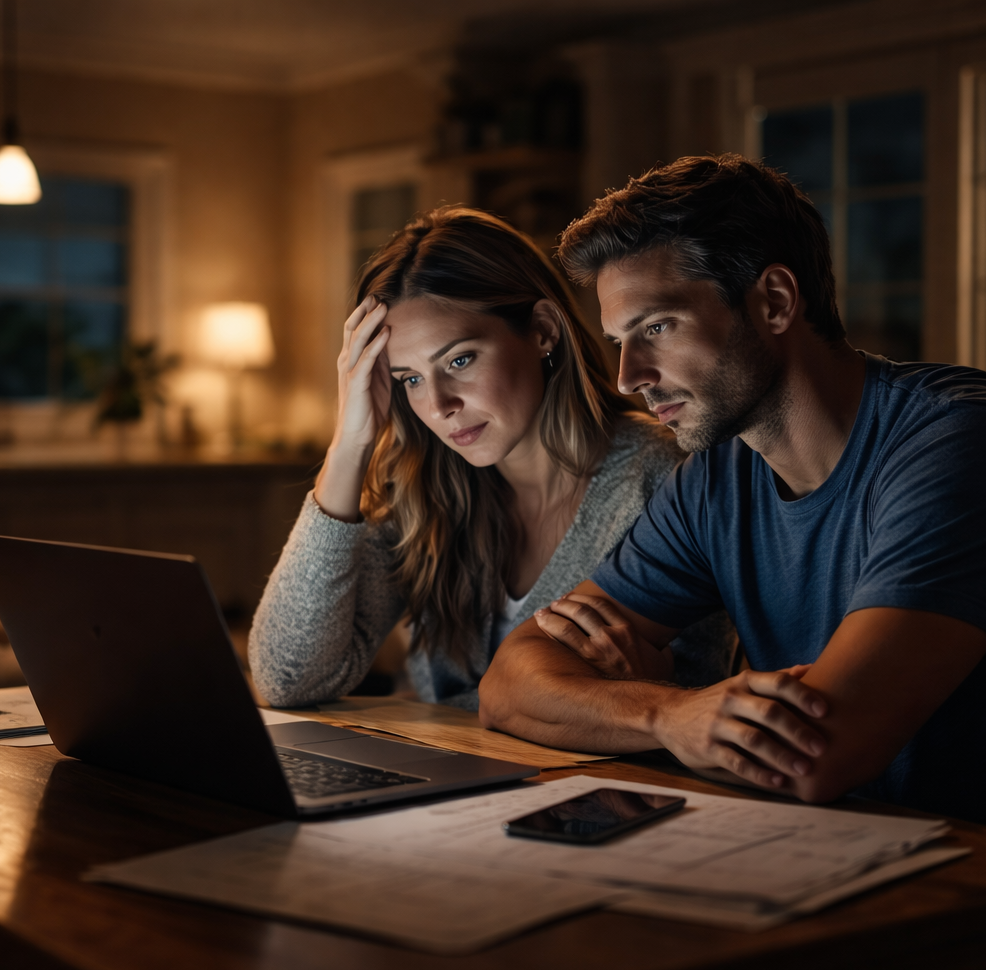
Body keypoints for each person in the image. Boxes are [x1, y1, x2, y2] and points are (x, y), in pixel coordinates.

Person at [477, 155, 986, 970]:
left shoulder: (964, 446)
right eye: (618, 342)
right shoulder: (715, 480)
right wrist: (667, 714)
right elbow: (510, 683)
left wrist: (629, 702)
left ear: (776, 302)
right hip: (865, 887)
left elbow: (817, 753)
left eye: (660, 327)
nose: (630, 374)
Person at [249, 207, 732, 710]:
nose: (438, 406)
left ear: (543, 330)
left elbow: (694, 698)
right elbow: (287, 678)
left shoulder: (665, 476)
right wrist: (348, 446)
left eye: (459, 360)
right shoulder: (423, 488)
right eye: (409, 378)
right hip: (443, 774)